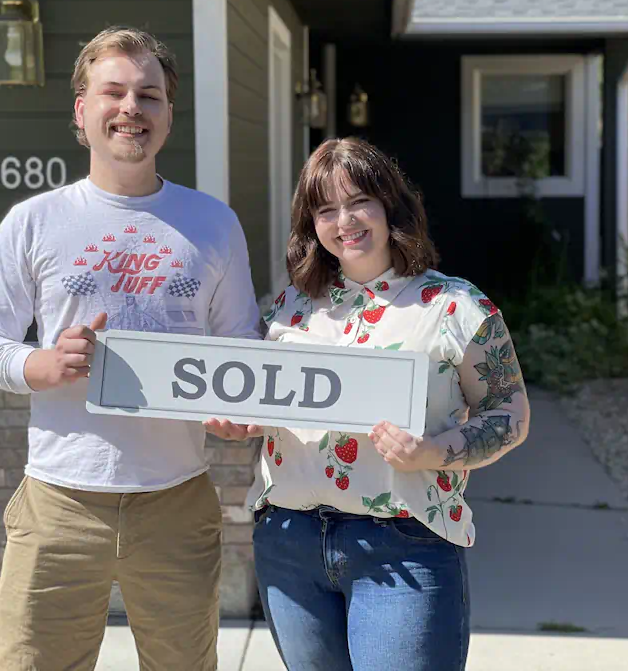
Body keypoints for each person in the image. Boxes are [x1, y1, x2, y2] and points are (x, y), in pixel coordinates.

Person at [0, 26, 261, 671]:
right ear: (81, 109)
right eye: (114, 92)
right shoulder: (34, 221)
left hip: (177, 503)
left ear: (169, 112)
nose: (132, 108)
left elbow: (242, 347)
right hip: (59, 506)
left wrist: (238, 410)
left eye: (149, 95)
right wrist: (35, 365)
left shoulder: (213, 223)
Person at [205, 137, 532, 671]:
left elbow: (509, 413)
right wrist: (245, 424)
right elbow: (271, 406)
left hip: (402, 545)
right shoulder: (290, 306)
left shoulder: (455, 307)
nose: (345, 221)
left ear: (389, 205)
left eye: (358, 201)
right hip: (290, 543)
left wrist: (431, 452)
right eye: (325, 209)